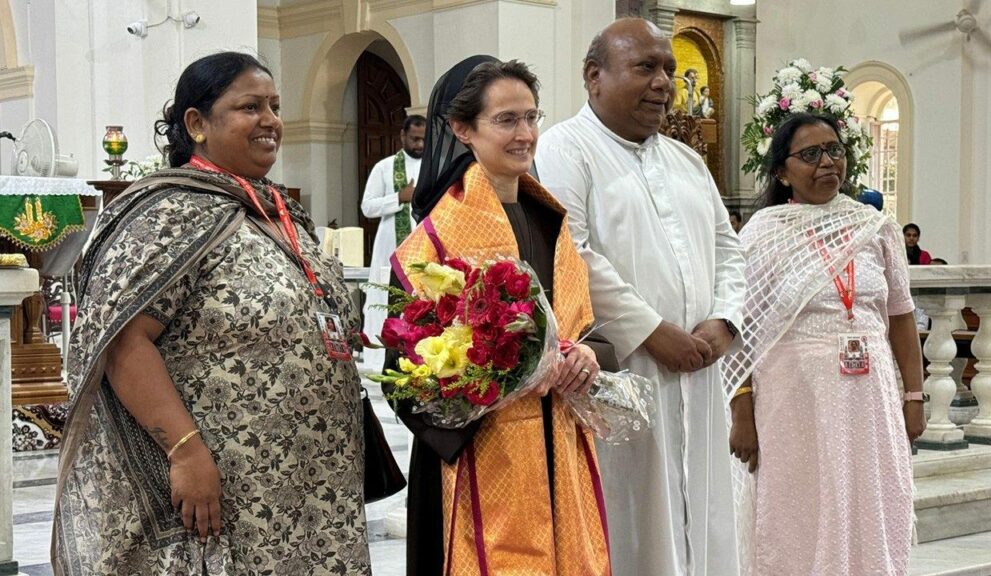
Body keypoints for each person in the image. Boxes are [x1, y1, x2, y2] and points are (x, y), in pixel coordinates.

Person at [52, 52, 371, 574]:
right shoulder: (166, 213)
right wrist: (185, 452)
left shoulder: (275, 209)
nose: (270, 120)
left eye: (274, 106)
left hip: (316, 479)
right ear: (196, 124)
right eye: (250, 107)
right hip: (231, 479)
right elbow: (124, 343)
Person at [536, 18, 746, 576]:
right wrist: (654, 332)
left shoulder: (686, 160)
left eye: (670, 70)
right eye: (646, 67)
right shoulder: (565, 148)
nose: (663, 83)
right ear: (593, 76)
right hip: (624, 371)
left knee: (702, 509)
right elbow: (573, 254)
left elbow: (730, 248)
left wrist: (723, 321)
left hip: (700, 369)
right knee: (633, 513)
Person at [390, 55, 612, 575]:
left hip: (560, 444)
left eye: (532, 117)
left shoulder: (551, 220)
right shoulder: (434, 240)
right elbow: (406, 377)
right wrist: (505, 369)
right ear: (462, 129)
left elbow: (590, 330)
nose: (526, 134)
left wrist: (586, 357)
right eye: (507, 120)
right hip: (478, 452)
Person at [723, 112, 925, 576]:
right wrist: (742, 410)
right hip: (793, 400)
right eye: (810, 154)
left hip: (869, 398)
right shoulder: (763, 234)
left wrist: (913, 396)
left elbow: (900, 316)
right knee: (798, 513)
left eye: (834, 149)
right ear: (780, 170)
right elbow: (739, 330)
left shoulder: (875, 228)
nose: (827, 162)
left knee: (872, 503)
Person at [361, 115, 427, 371]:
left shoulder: (434, 167)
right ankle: (378, 364)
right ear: (402, 137)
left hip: (423, 250)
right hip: (390, 249)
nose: (420, 144)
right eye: (415, 139)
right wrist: (399, 197)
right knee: (382, 302)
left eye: (424, 139)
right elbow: (367, 207)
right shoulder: (385, 167)